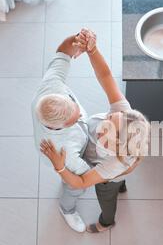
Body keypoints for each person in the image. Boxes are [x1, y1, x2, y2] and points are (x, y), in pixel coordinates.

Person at [40, 29, 151, 233]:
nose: (103, 124)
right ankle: (123, 184)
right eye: (109, 118)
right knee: (124, 176)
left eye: (107, 131)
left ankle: (106, 223)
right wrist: (92, 51)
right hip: (124, 162)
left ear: (117, 147)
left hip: (108, 178)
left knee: (107, 194)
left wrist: (60, 167)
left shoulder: (113, 163)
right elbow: (106, 75)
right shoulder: (123, 112)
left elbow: (82, 181)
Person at [32, 34, 95, 233]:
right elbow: (84, 178)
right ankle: (66, 209)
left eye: (74, 106)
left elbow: (63, 52)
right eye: (75, 119)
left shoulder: (50, 86)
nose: (79, 115)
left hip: (72, 150)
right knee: (74, 188)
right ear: (58, 127)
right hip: (66, 163)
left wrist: (77, 39)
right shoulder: (64, 150)